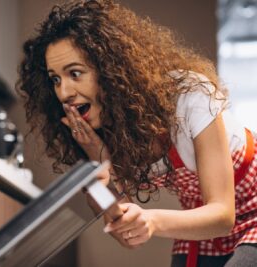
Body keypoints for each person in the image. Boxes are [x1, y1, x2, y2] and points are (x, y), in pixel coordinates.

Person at [15, 0, 257, 266]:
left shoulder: (190, 96)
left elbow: (223, 215)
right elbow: (124, 228)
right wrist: (98, 156)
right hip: (203, 221)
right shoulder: (110, 130)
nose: (64, 93)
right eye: (55, 79)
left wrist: (151, 220)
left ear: (109, 69)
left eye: (75, 73)